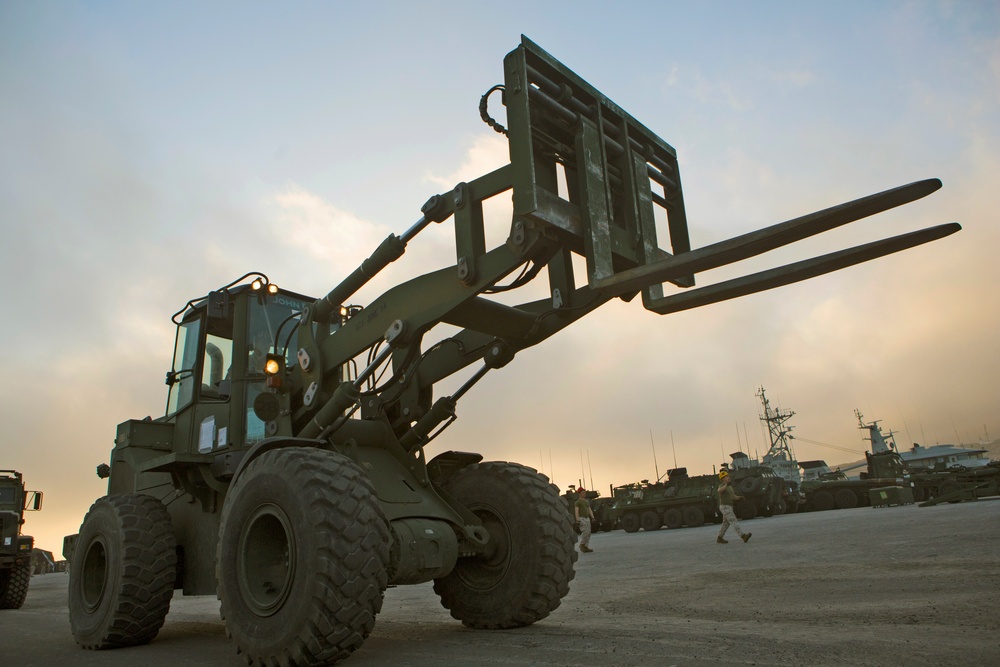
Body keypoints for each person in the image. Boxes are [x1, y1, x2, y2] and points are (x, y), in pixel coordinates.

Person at [717, 470, 751, 544]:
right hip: (725, 507)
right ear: (723, 479)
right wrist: (726, 485)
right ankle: (743, 536)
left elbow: (733, 496)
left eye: (728, 476)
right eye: (726, 477)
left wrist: (740, 498)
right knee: (734, 521)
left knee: (726, 524)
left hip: (728, 506)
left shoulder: (729, 487)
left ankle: (720, 538)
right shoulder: (722, 486)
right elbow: (719, 490)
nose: (728, 477)